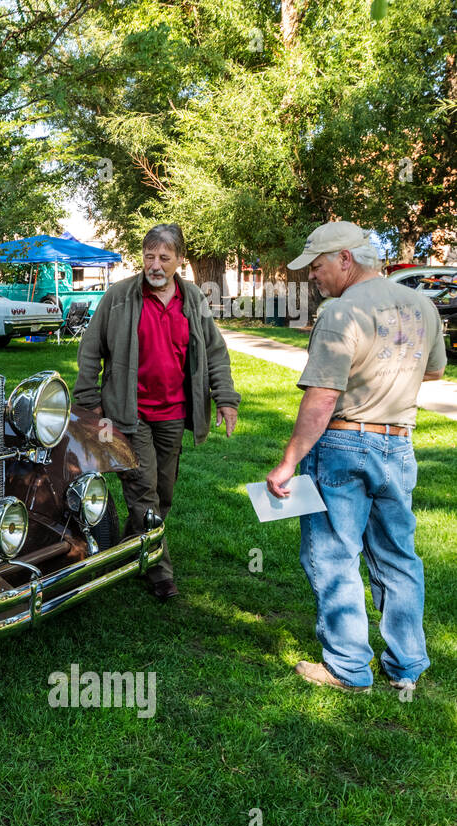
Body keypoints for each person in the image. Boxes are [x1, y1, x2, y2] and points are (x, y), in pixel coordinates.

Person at [265, 221, 446, 693]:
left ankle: (347, 668)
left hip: (343, 445)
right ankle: (406, 665)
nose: (314, 277)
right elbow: (432, 373)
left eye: (319, 266)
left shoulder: (341, 312)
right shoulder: (424, 305)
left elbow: (322, 398)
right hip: (399, 444)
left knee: (332, 554)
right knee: (398, 556)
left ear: (346, 259)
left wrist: (287, 463)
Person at [75, 223, 240, 600]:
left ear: (179, 261)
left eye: (164, 257)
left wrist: (225, 398)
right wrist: (89, 401)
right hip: (128, 412)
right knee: (143, 488)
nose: (155, 264)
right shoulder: (119, 296)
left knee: (163, 493)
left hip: (173, 412)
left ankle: (127, 552)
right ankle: (160, 573)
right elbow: (89, 350)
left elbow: (215, 352)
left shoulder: (193, 298)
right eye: (149, 256)